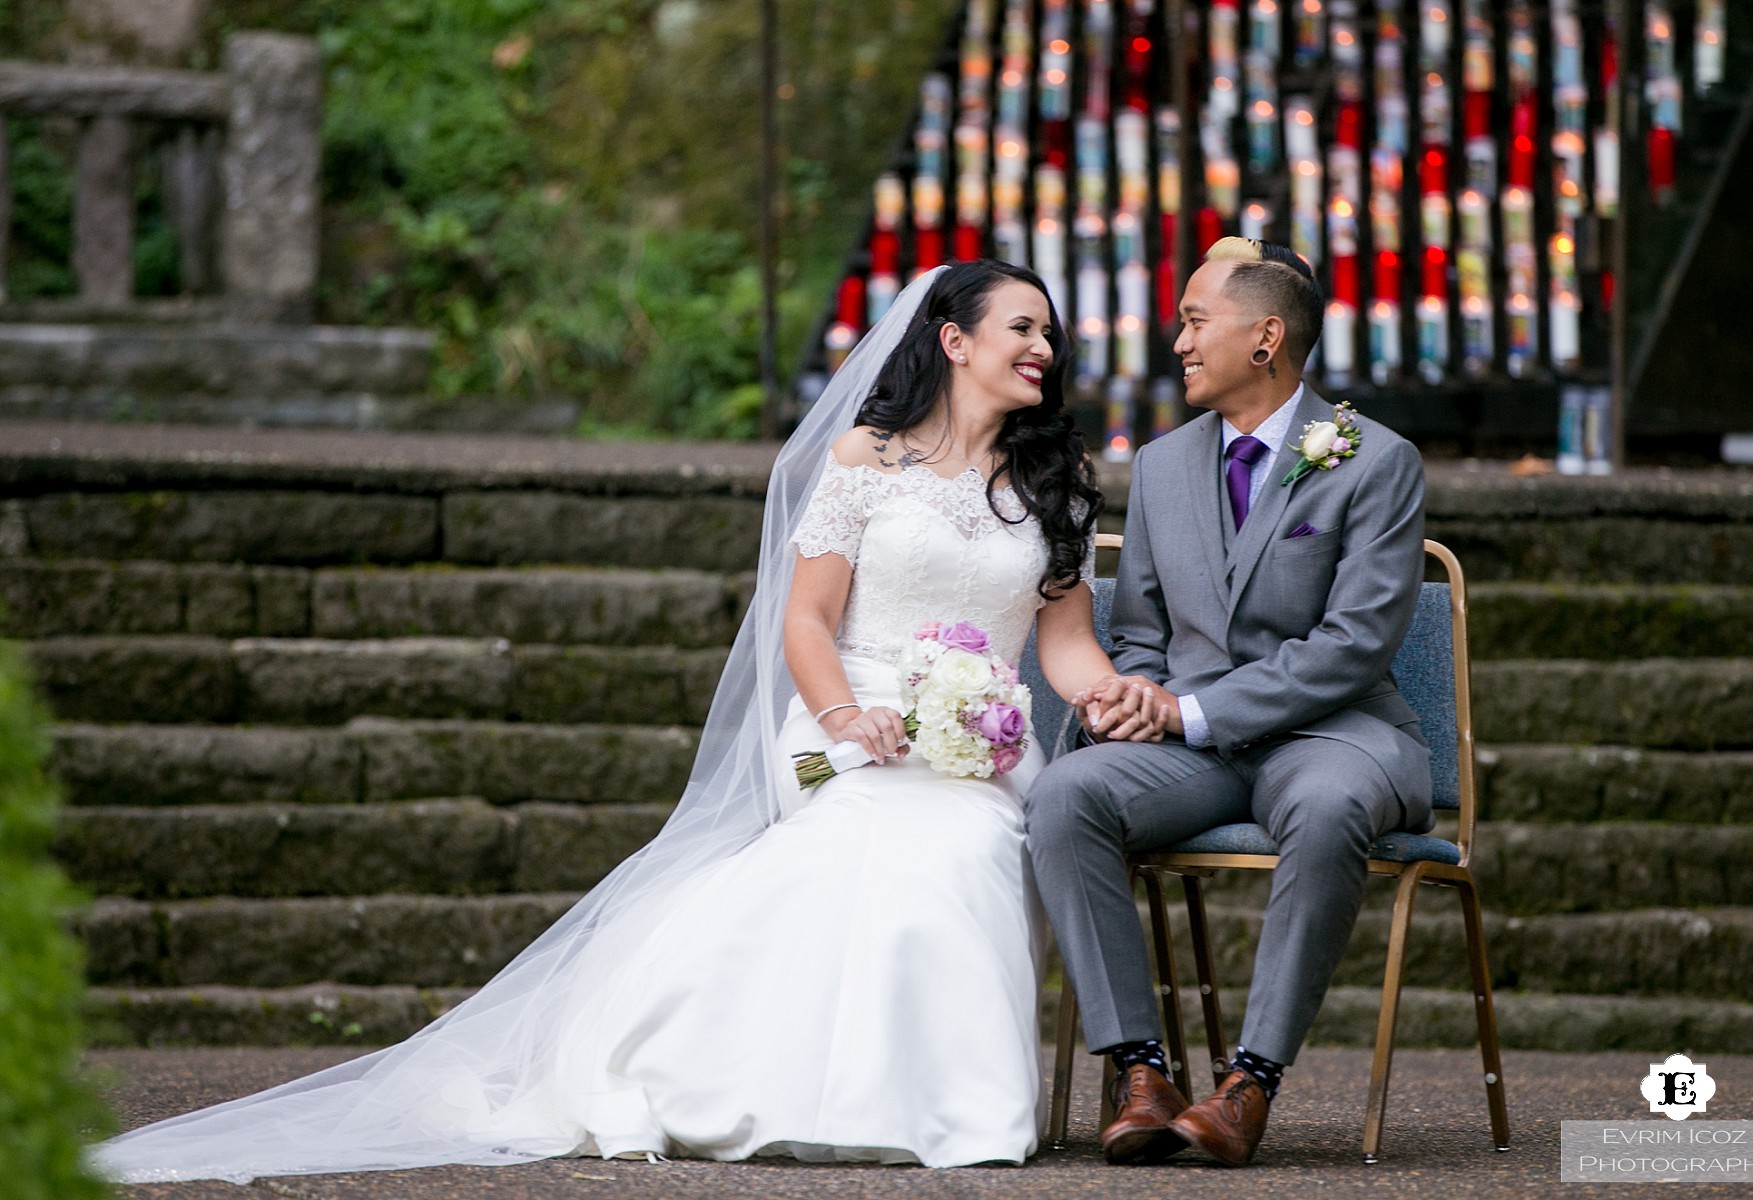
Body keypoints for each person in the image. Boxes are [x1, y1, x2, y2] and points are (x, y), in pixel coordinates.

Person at [91, 259, 1135, 1182]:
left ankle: (923, 1105)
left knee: (963, 849)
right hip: (838, 724)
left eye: (1049, 334)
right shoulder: (865, 460)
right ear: (954, 341)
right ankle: (713, 1076)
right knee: (870, 845)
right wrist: (848, 716)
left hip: (979, 746)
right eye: (1023, 328)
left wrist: (1109, 695)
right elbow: (807, 622)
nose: (1046, 348)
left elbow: (1065, 645)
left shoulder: (1054, 485)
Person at [1025, 237, 1433, 1168]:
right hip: (1192, 751)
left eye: (1195, 321)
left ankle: (1250, 1083)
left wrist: (1190, 713)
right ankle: (1141, 1071)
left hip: (1337, 735)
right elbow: (1141, 631)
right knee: (1064, 795)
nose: (1177, 342)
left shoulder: (1375, 460)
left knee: (1330, 805)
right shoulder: (1164, 465)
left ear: (1266, 337)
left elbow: (1354, 644)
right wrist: (1135, 693)